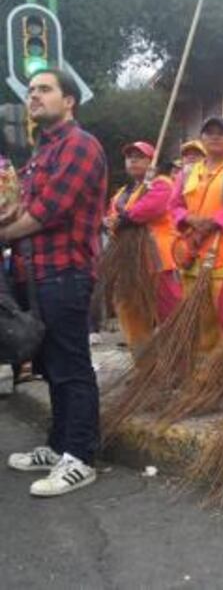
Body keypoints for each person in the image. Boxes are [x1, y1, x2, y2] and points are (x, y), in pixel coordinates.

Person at [1, 69, 107, 497]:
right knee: (50, 368)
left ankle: (80, 457)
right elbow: (20, 206)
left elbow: (46, 211)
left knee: (71, 367)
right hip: (35, 275)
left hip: (64, 273)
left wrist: (4, 232)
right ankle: (58, 445)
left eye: (45, 89)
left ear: (70, 101)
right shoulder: (42, 152)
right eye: (31, 91)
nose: (34, 96)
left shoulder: (80, 145)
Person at [169, 116, 223, 353]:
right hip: (193, 261)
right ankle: (206, 372)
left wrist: (212, 224)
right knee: (201, 322)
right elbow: (174, 205)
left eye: (222, 132)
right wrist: (187, 219)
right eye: (209, 132)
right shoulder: (187, 173)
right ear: (202, 139)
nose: (215, 136)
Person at [106, 141, 182, 351]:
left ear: (152, 162)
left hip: (159, 261)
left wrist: (122, 220)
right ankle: (144, 364)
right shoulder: (122, 192)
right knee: (131, 313)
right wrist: (114, 222)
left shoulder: (162, 184)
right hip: (129, 264)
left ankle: (176, 362)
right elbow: (112, 218)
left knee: (170, 312)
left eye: (139, 156)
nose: (132, 160)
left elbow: (149, 209)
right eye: (129, 156)